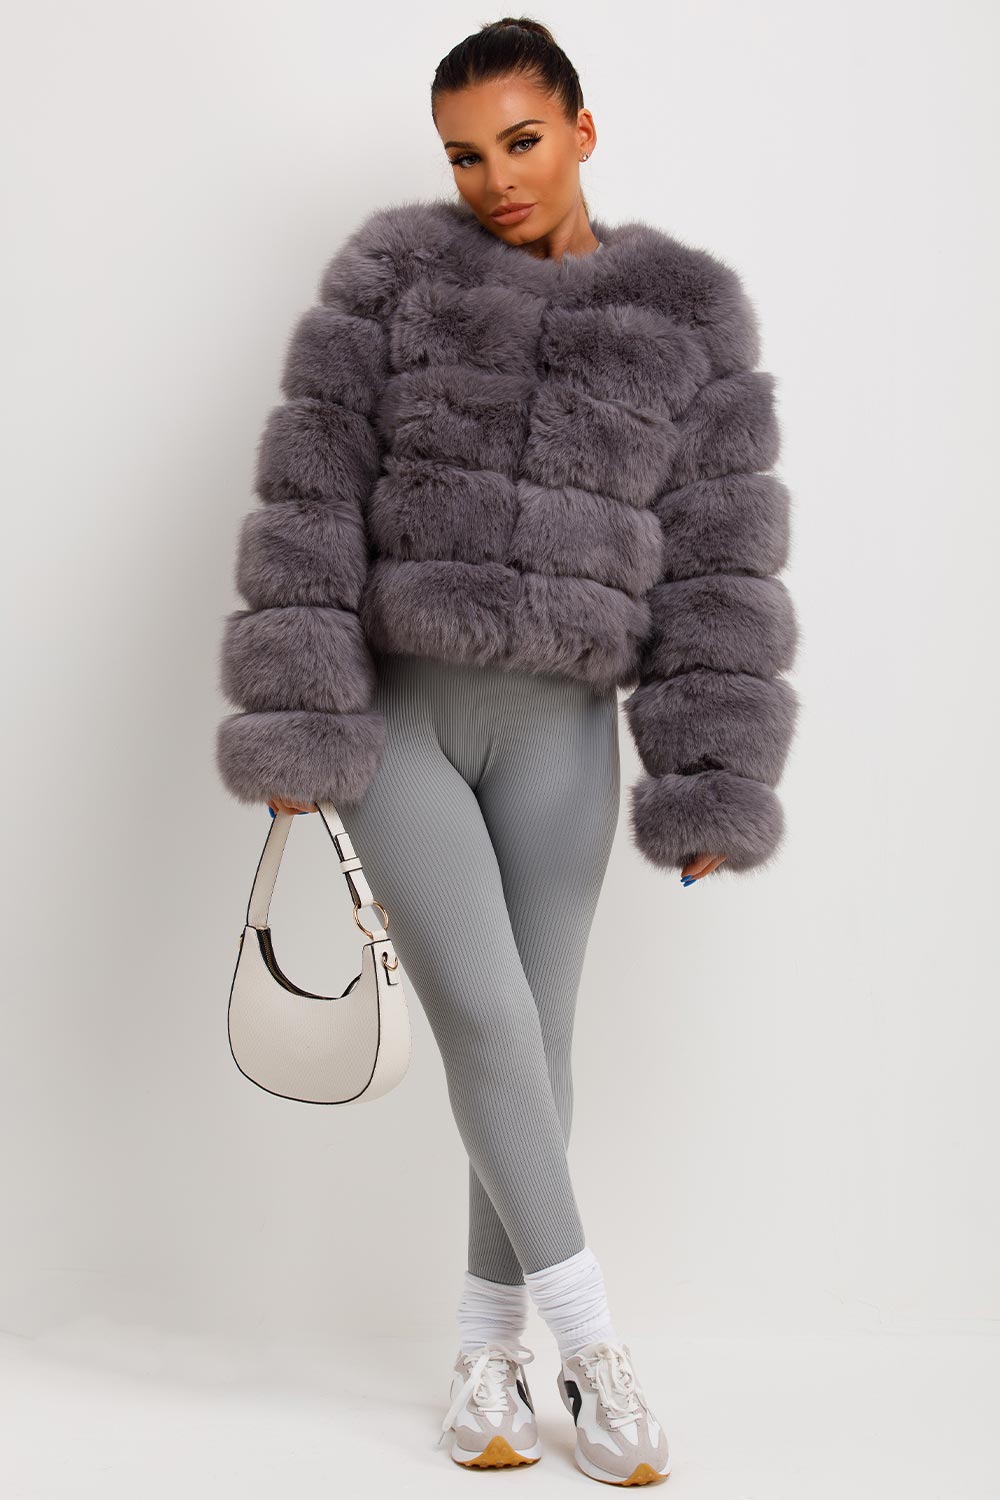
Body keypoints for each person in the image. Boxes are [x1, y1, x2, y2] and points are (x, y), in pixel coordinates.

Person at [215, 15, 799, 1486]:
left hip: (566, 733)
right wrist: (296, 709)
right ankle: (596, 1355)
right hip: (400, 717)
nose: (495, 178)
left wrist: (711, 773)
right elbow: (310, 501)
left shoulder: (687, 317)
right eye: (465, 153)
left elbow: (719, 563)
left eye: (521, 141)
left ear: (583, 130)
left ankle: (485, 1360)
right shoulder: (391, 282)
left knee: (537, 1047)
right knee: (484, 1019)